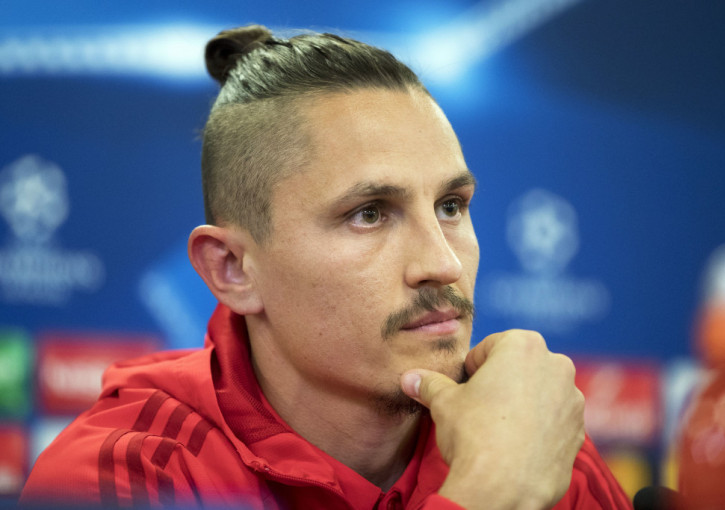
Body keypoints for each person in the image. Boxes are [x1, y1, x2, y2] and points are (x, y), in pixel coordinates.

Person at [21, 25, 631, 509]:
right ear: (232, 269)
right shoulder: (128, 474)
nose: (442, 264)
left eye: (451, 206)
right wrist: (489, 494)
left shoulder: (541, 454)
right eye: (369, 214)